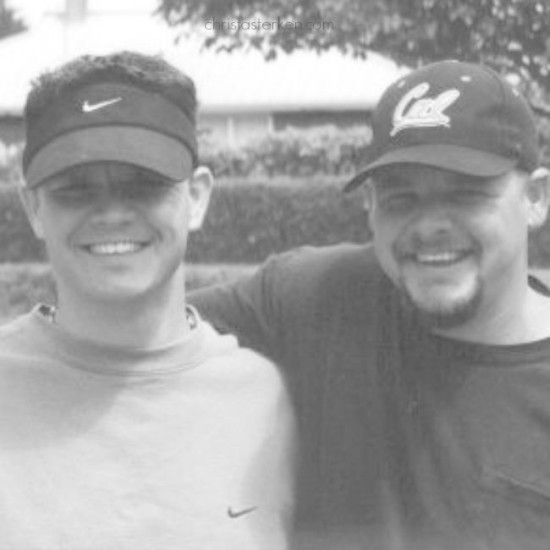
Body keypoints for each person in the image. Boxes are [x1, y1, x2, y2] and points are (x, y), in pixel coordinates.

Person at [191, 60, 550, 550]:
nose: (430, 225)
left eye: (467, 194)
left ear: (535, 198)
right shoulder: (319, 296)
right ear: (370, 209)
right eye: (401, 198)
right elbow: (139, 338)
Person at [0, 51, 295, 549]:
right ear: (33, 207)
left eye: (145, 184)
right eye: (75, 189)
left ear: (197, 198)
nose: (113, 213)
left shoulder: (271, 399)